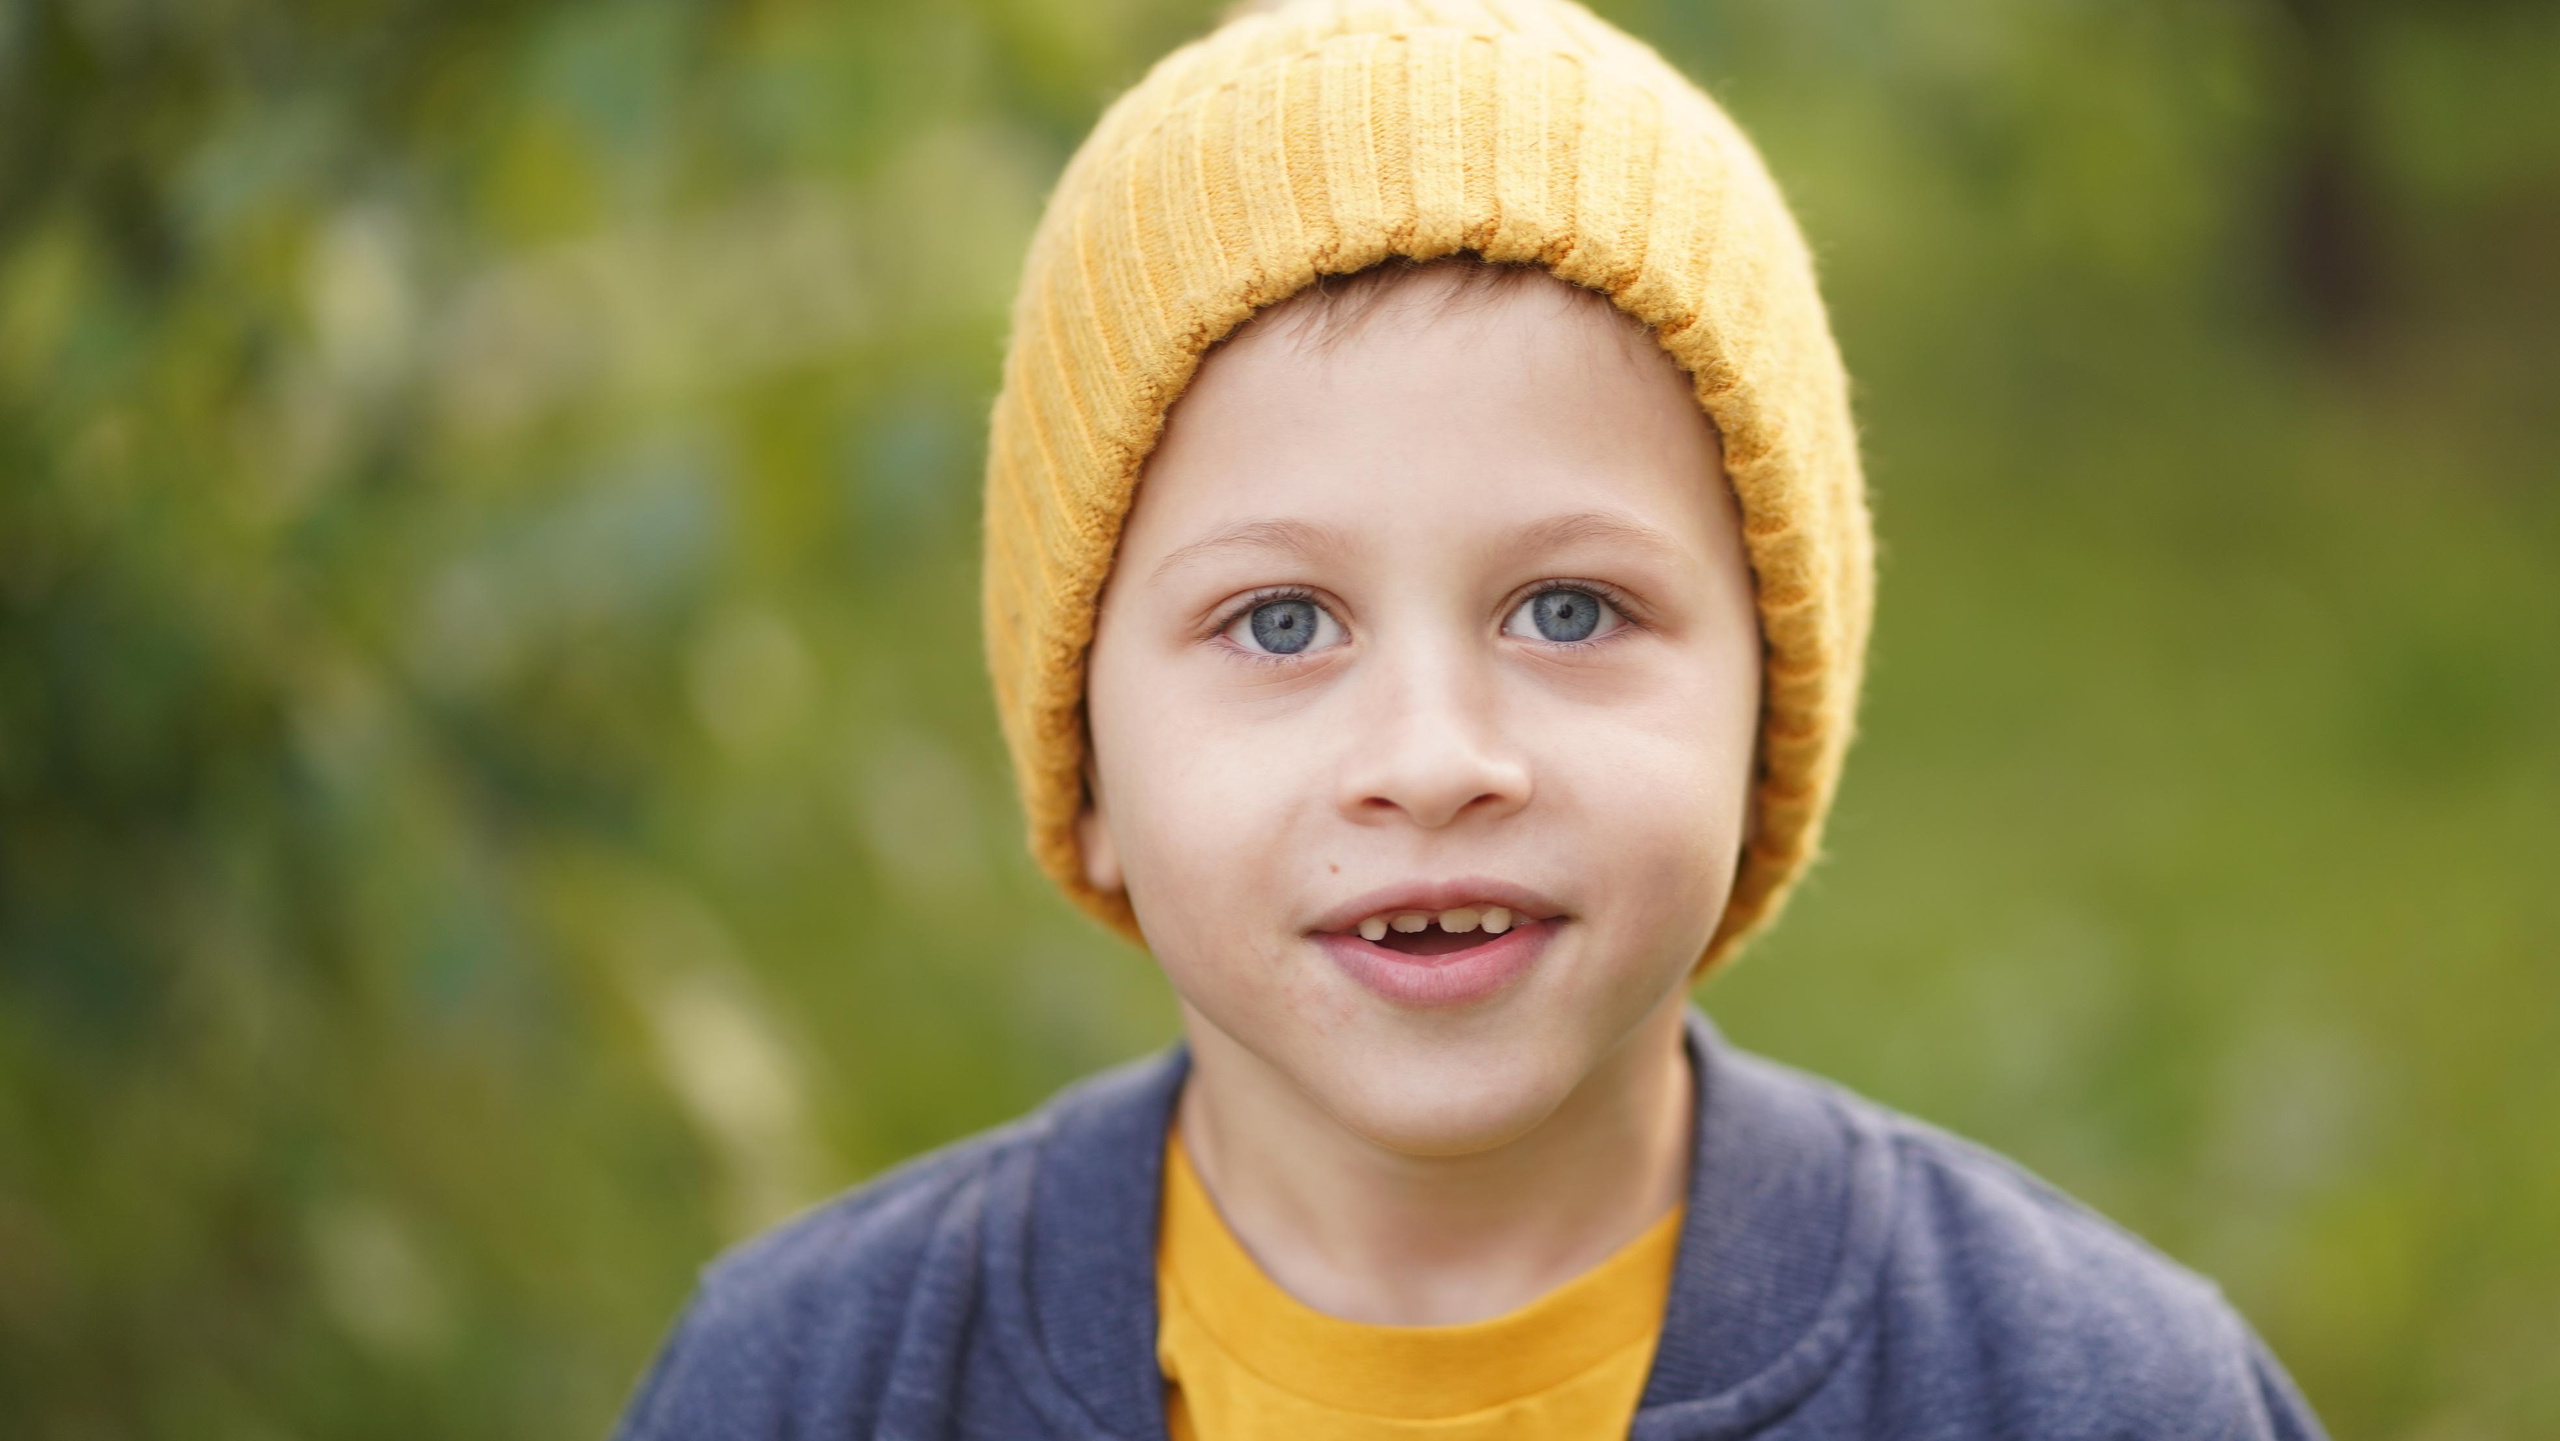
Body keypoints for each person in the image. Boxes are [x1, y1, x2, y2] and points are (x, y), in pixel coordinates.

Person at [608, 0, 2328, 1436]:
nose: (1432, 758)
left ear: (1768, 710)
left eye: (1568, 609)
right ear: (1087, 755)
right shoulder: (812, 1383)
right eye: (1280, 622)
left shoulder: (2086, 1394)